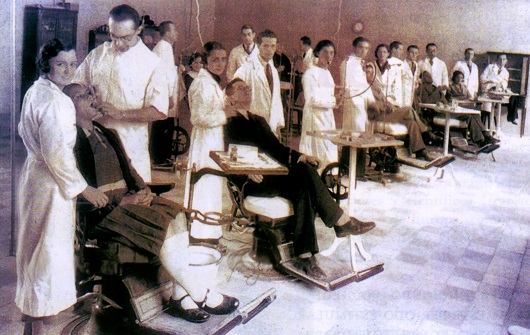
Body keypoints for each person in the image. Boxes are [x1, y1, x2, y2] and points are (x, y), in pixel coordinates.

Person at [65, 83, 239, 324]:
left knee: (177, 213)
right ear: (68, 106)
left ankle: (180, 295)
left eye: (91, 93)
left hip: (130, 200)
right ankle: (201, 293)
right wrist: (124, 200)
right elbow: (81, 190)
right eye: (83, 96)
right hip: (105, 212)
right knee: (163, 224)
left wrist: (143, 189)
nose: (92, 98)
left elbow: (130, 169)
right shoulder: (70, 140)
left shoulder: (106, 132)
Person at [224, 79, 376, 278]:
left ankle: (306, 255)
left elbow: (277, 149)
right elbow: (227, 155)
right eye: (241, 89)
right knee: (305, 177)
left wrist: (300, 156)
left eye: (248, 88)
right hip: (253, 180)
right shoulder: (228, 123)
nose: (247, 91)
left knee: (304, 177)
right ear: (231, 98)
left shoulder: (258, 120)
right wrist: (245, 171)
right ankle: (338, 222)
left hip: (273, 175)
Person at [16, 39, 107, 334]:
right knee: (48, 259)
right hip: (52, 185)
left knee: (34, 252)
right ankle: (43, 329)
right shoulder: (56, 102)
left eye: (71, 63)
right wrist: (87, 190)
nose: (68, 70)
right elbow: (58, 155)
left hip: (36, 179)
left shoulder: (36, 90)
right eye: (60, 64)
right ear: (47, 65)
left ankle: (32, 327)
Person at [74, 4, 169, 183]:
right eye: (113, 36)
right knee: (98, 200)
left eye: (125, 38)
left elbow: (159, 110)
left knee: (131, 200)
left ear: (139, 29)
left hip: (130, 146)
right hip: (96, 144)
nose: (118, 43)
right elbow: (75, 84)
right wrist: (84, 95)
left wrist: (121, 113)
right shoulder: (98, 54)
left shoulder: (152, 63)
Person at [184, 42, 228, 247]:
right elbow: (198, 117)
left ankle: (209, 232)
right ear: (206, 61)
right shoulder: (202, 83)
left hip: (213, 138)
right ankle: (202, 235)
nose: (220, 63)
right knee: (205, 183)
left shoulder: (211, 81)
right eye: (215, 59)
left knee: (212, 185)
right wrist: (225, 115)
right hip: (205, 141)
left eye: (223, 59)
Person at [366, 63, 437, 161]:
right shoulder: (364, 88)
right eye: (367, 72)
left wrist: (390, 104)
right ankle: (426, 132)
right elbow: (369, 104)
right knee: (408, 109)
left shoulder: (376, 87)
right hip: (377, 115)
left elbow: (385, 100)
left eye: (372, 72)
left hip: (386, 112)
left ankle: (420, 152)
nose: (370, 75)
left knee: (411, 122)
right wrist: (384, 106)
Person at [233, 29, 285, 138]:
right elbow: (234, 99)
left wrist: (278, 126)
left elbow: (276, 100)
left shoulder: (273, 71)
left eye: (273, 46)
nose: (269, 50)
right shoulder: (246, 69)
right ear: (258, 46)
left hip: (270, 126)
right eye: (265, 46)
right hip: (252, 126)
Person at [299, 40, 339, 172]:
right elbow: (311, 99)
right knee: (316, 150)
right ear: (317, 53)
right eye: (325, 52)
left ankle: (328, 178)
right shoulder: (310, 73)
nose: (329, 56)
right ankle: (316, 179)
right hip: (314, 118)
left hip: (327, 117)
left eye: (332, 53)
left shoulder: (327, 73)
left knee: (328, 148)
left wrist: (336, 99)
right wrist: (334, 101)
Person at [340, 37, 374, 177]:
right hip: (354, 103)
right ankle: (351, 170)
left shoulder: (360, 63)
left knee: (358, 135)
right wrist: (359, 104)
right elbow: (347, 86)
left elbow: (364, 85)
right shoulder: (349, 63)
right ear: (354, 47)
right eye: (361, 47)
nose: (364, 51)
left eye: (366, 48)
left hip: (361, 103)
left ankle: (356, 170)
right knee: (354, 136)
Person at [150, 20, 180, 165]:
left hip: (164, 92)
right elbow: (165, 74)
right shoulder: (164, 48)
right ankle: (160, 157)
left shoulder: (164, 47)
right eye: (174, 30)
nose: (176, 33)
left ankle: (161, 156)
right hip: (163, 93)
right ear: (167, 33)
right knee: (162, 125)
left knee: (164, 124)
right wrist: (169, 96)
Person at [447, 71, 498, 146]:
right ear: (453, 77)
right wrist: (462, 100)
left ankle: (486, 135)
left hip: (466, 107)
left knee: (475, 114)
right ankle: (480, 140)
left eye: (461, 78)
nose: (459, 79)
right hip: (457, 109)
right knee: (470, 116)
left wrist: (474, 99)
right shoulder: (450, 87)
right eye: (457, 77)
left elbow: (470, 97)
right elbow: (449, 100)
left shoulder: (464, 87)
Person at [480, 53, 510, 123]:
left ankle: (496, 130)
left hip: (497, 93)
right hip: (487, 91)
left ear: (506, 61)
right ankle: (482, 130)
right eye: (500, 59)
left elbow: (505, 82)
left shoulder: (506, 72)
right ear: (496, 60)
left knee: (495, 112)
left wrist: (501, 86)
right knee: (486, 110)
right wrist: (492, 81)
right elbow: (482, 78)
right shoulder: (490, 67)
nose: (501, 61)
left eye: (504, 59)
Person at [388, 41, 405, 107]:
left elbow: (402, 77)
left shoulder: (401, 63)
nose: (402, 52)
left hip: (398, 90)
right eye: (400, 50)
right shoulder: (387, 61)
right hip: (389, 90)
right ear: (393, 50)